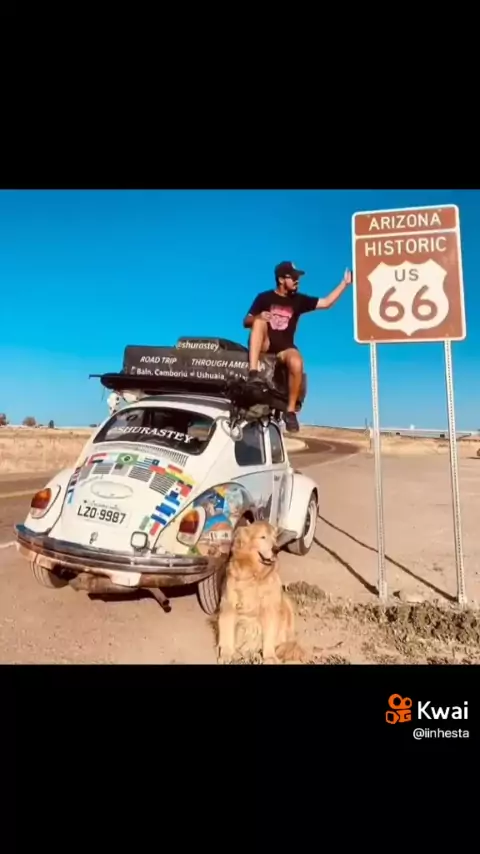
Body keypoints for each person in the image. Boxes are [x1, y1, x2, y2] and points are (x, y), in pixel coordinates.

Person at [243, 261, 352, 433]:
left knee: (297, 361)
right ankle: (253, 373)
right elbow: (246, 321)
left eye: (297, 277)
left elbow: (326, 303)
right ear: (281, 280)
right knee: (258, 322)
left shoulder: (298, 300)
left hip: (284, 349)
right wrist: (259, 316)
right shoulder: (264, 298)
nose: (296, 280)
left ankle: (291, 411)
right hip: (265, 345)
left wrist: (344, 284)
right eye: (293, 277)